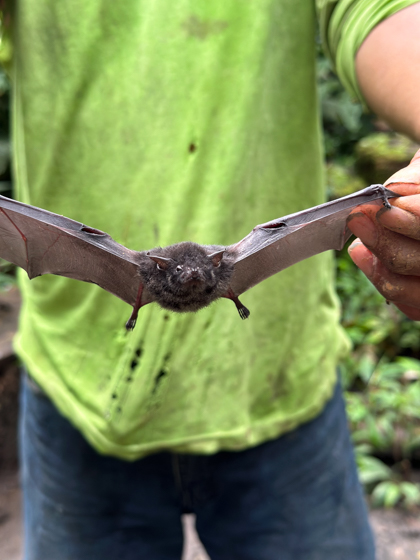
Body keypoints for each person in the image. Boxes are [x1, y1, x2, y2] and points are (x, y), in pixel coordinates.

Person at [8, 0, 420, 558]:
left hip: (281, 388)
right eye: (187, 273)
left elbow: (376, 13)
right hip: (76, 397)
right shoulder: (142, 270)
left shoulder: (227, 266)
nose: (194, 277)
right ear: (161, 272)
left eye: (202, 271)